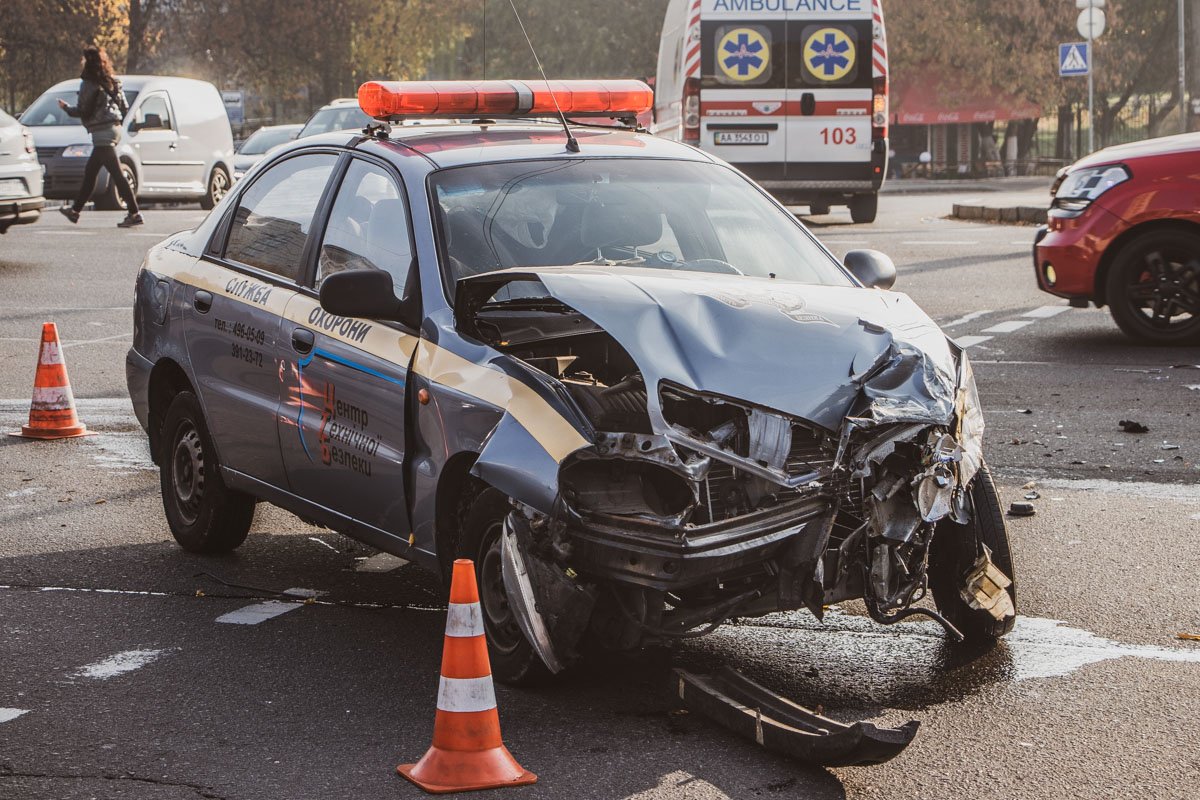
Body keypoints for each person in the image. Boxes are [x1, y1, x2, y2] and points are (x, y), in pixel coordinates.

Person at [57, 45, 142, 227]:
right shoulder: (113, 81)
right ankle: (75, 211)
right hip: (114, 128)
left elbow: (82, 110)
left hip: (102, 132)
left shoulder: (88, 84)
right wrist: (115, 123)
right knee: (91, 172)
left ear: (87, 63)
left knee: (117, 174)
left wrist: (65, 108)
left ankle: (135, 213)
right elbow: (125, 108)